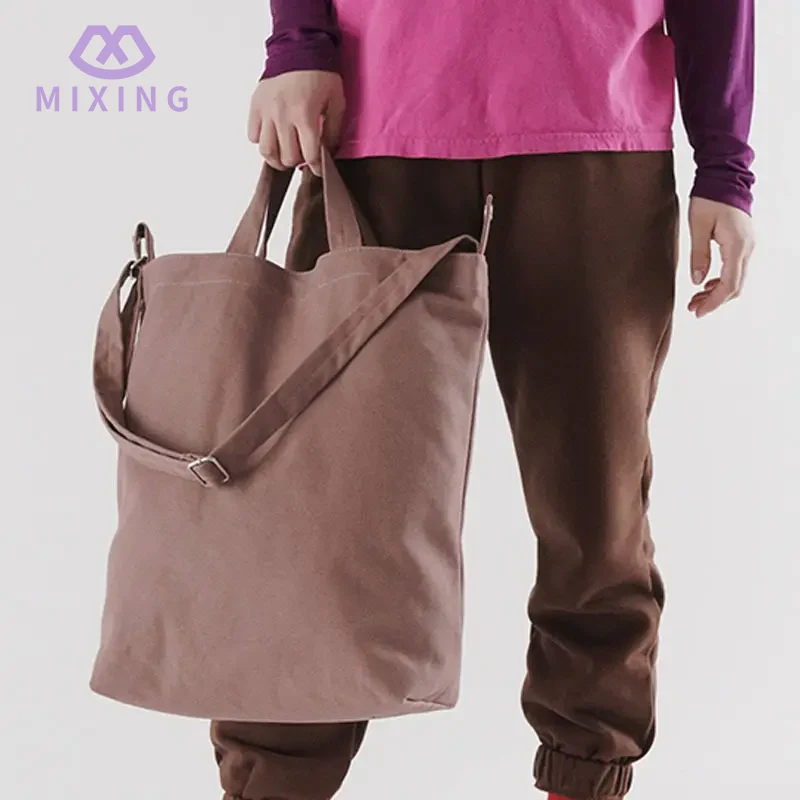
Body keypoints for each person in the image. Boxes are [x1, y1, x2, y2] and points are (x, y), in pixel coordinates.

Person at [210, 2, 756, 798]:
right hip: (377, 124)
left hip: (596, 138)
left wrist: (725, 165)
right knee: (318, 510)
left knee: (596, 512)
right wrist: (298, 42)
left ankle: (583, 780)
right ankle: (273, 786)